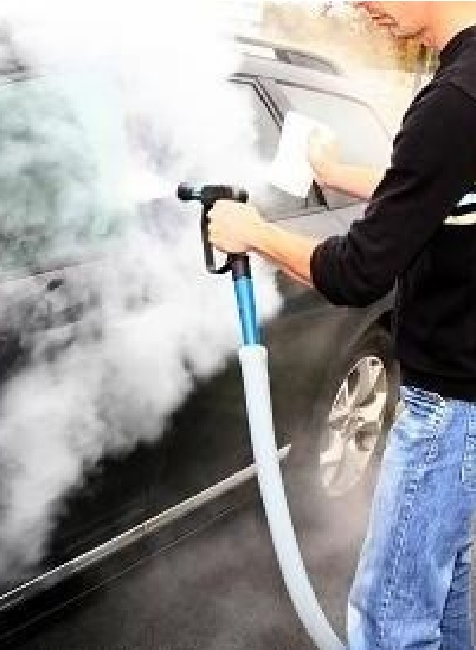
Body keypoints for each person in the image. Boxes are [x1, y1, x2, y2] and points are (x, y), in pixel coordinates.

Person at [207, 2, 476, 649]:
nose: (360, 3)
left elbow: (356, 274)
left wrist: (255, 233)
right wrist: (332, 175)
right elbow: (435, 188)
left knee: (390, 623)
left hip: (451, 410)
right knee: (446, 598)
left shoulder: (455, 101)